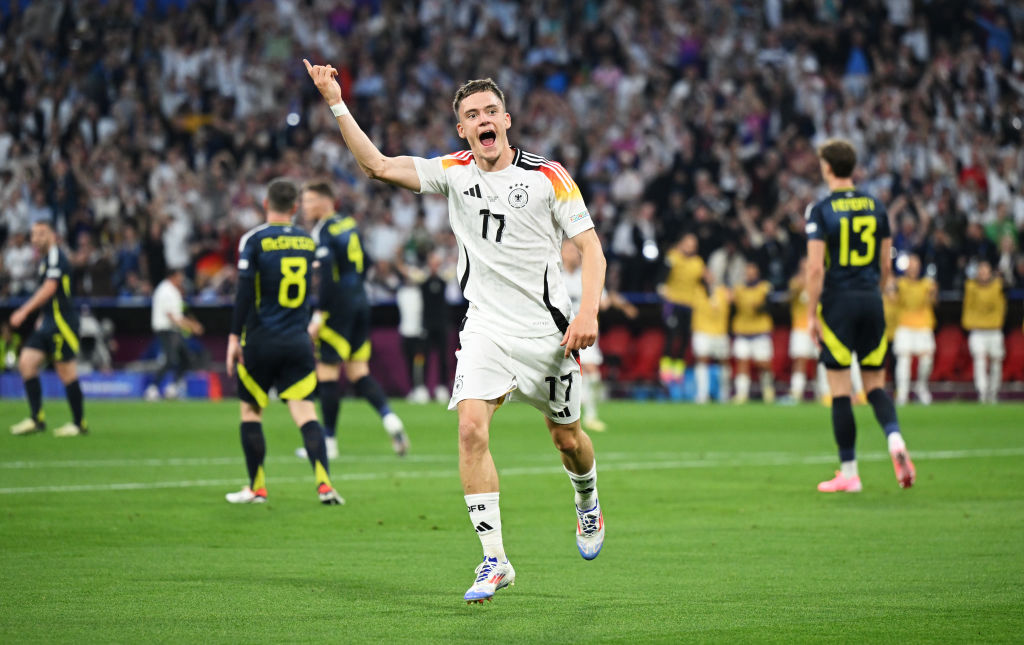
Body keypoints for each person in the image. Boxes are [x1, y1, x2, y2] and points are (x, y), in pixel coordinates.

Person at [305, 62, 607, 603]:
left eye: (491, 110)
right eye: (472, 115)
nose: (483, 119)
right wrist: (335, 101)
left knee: (568, 441)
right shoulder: (452, 170)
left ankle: (587, 499)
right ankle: (494, 560)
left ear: (507, 120)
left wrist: (588, 312)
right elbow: (375, 165)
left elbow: (591, 248)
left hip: (548, 334)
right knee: (470, 428)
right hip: (486, 327)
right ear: (463, 130)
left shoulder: (548, 176)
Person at [224, 178, 343, 506]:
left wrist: (234, 337)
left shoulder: (254, 240)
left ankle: (257, 488)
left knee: (250, 412)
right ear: (294, 208)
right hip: (297, 341)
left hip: (260, 341)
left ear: (266, 203)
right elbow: (316, 287)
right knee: (306, 413)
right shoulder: (307, 240)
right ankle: (324, 484)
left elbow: (244, 294)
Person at [805, 138, 915, 493]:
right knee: (875, 385)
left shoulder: (820, 210)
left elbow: (816, 269)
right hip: (871, 299)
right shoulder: (877, 207)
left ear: (827, 167)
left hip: (838, 303)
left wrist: (811, 313)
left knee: (840, 390)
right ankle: (894, 438)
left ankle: (849, 473)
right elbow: (886, 263)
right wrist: (876, 292)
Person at [295, 182, 408, 461]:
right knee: (358, 372)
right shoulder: (348, 224)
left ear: (325, 202)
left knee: (328, 373)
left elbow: (329, 281)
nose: (305, 207)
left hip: (339, 307)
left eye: (309, 201)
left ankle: (329, 442)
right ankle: (390, 419)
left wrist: (319, 313)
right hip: (361, 301)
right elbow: (367, 262)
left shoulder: (323, 230)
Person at [9, 217, 88, 437]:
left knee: (66, 371)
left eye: (42, 233)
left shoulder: (55, 256)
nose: (36, 238)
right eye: (34, 234)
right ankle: (36, 419)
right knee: (26, 362)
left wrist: (24, 311)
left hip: (63, 323)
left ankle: (78, 423)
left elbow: (50, 288)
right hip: (49, 321)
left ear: (53, 235)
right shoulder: (44, 260)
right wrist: (42, 316)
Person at [561, 239, 637, 429]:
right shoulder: (554, 275)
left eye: (575, 250)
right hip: (559, 333)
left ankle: (590, 415)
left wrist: (624, 305)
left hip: (584, 331)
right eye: (569, 249)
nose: (573, 253)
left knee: (593, 373)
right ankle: (565, 414)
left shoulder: (585, 276)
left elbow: (603, 300)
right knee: (563, 376)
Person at [146, 268, 204, 401]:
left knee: (186, 358)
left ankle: (172, 388)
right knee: (170, 359)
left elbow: (179, 313)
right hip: (166, 329)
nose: (181, 279)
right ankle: (152, 388)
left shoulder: (173, 290)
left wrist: (189, 324)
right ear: (172, 276)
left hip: (174, 330)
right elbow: (171, 316)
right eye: (179, 276)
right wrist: (191, 326)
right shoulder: (165, 290)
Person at [657, 233, 704, 386]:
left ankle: (678, 372)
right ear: (681, 244)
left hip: (689, 305)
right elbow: (661, 277)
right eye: (687, 243)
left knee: (684, 338)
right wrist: (662, 289)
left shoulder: (698, 263)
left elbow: (705, 281)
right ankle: (665, 372)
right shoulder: (673, 257)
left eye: (693, 245)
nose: (689, 247)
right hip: (673, 303)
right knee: (671, 336)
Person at [892, 254, 936, 405]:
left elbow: (934, 302)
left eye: (915, 265)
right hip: (905, 325)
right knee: (904, 360)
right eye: (910, 265)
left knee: (926, 360)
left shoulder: (927, 284)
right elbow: (892, 298)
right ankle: (902, 392)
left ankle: (921, 386)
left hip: (923, 325)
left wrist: (934, 292)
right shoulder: (900, 283)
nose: (913, 268)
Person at [962, 261, 1006, 403]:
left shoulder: (997, 286)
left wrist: (996, 323)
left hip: (994, 330)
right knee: (980, 361)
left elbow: (1001, 308)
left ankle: (993, 393)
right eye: (981, 272)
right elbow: (968, 308)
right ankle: (982, 392)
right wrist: (969, 323)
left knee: (996, 362)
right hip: (978, 331)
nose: (983, 275)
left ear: (990, 273)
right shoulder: (971, 287)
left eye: (986, 272)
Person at [731, 261, 775, 403]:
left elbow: (770, 306)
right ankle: (742, 393)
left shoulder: (764, 287)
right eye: (747, 272)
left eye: (752, 272)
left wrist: (760, 306)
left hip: (760, 330)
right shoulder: (738, 289)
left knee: (763, 363)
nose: (749, 275)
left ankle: (768, 389)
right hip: (743, 330)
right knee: (742, 362)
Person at [691, 275, 731, 404]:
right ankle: (702, 394)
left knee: (723, 362)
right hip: (701, 331)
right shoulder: (696, 291)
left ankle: (725, 393)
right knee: (702, 360)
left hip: (720, 332)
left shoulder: (723, 291)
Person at [787, 257, 820, 403]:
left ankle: (823, 392)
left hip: (819, 327)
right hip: (800, 328)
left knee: (821, 361)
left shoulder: (820, 283)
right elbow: (790, 295)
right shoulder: (796, 283)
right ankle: (796, 392)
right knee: (800, 359)